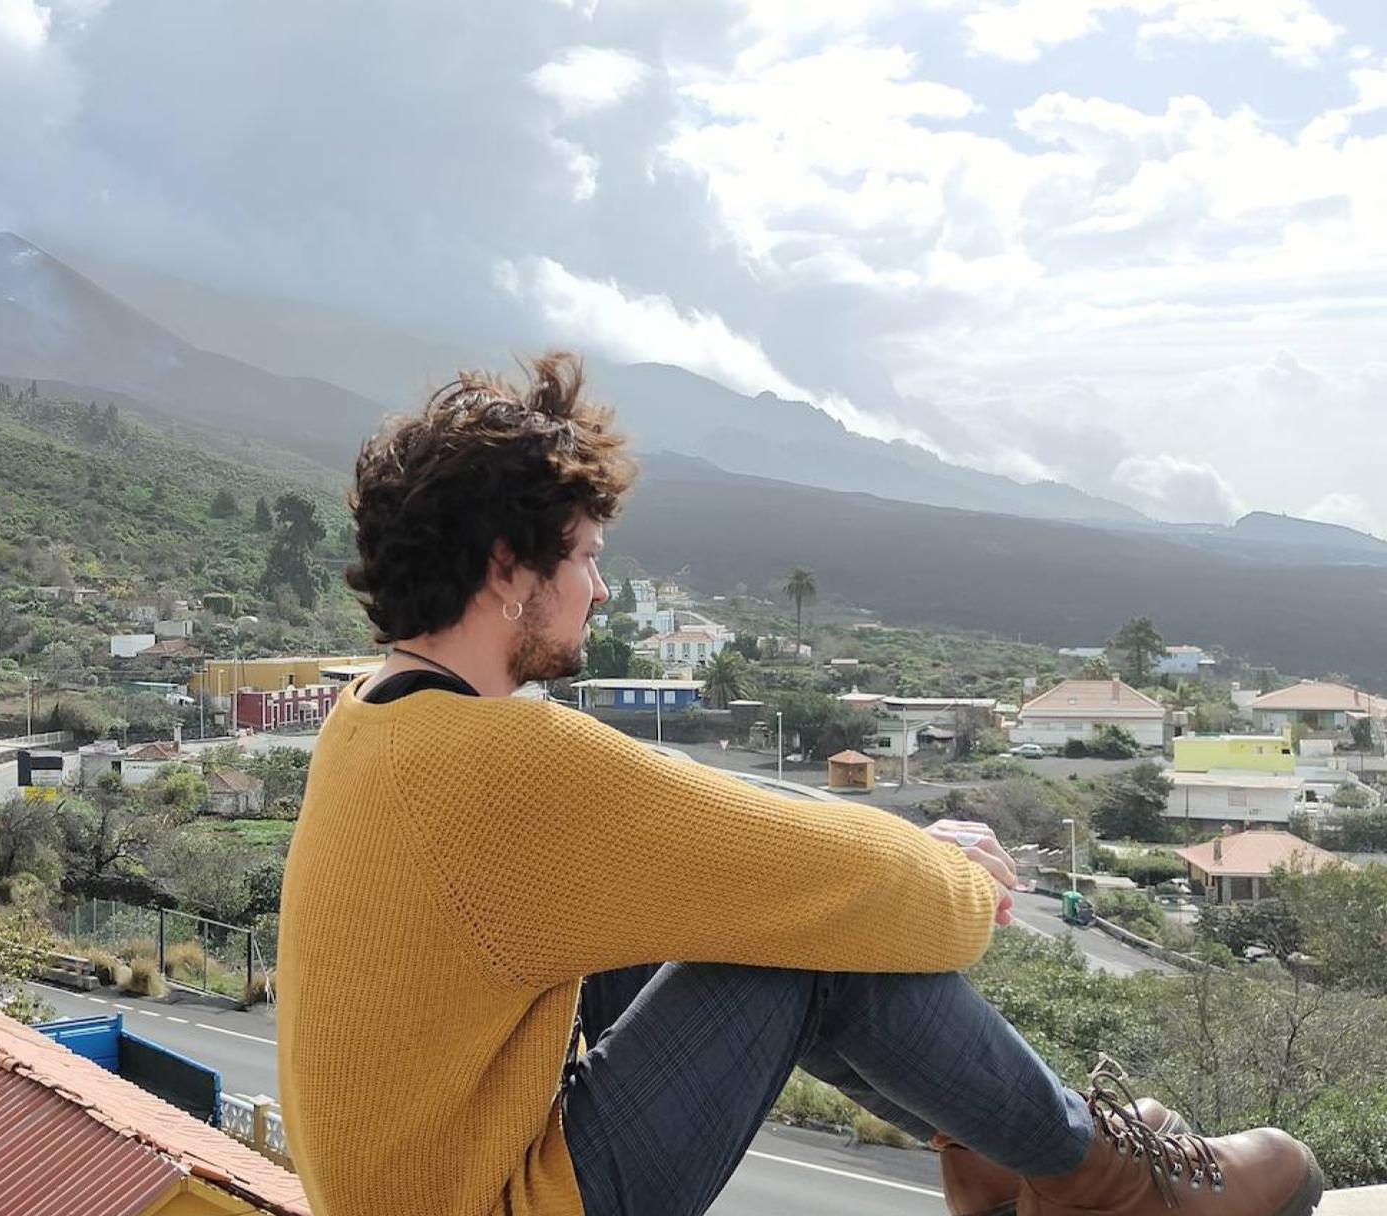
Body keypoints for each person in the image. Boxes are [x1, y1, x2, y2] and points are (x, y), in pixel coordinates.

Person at [276, 352, 1322, 1216]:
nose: (598, 586)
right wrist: (952, 872)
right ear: (510, 568)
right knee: (808, 941)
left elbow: (717, 831)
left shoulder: (376, 722)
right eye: (586, 555)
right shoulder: (499, 759)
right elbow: (845, 889)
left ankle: (1012, 1148)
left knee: (713, 909)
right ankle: (1112, 1185)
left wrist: (888, 853)